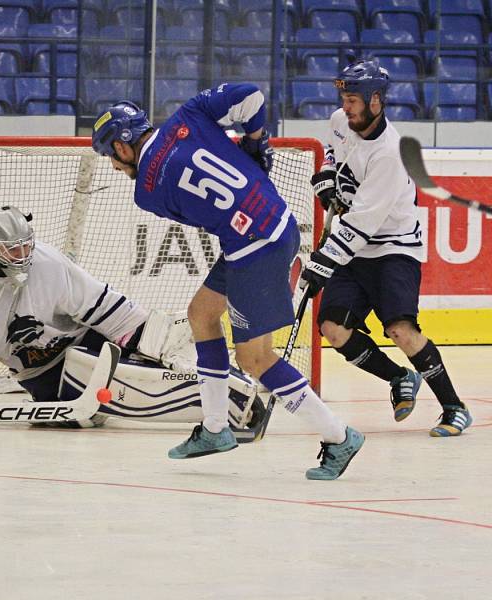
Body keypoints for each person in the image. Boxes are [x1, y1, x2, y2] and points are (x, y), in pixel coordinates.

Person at [91, 87, 364, 480]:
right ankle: (216, 429)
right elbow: (252, 96)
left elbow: (198, 206)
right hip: (264, 228)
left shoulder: (145, 193)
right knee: (201, 315)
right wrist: (253, 142)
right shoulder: (190, 114)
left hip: (256, 247)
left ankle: (338, 437)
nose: (112, 166)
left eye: (109, 156)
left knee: (254, 359)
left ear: (122, 145)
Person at [302, 58, 471, 437]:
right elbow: (333, 153)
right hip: (355, 249)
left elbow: (363, 221)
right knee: (332, 328)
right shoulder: (339, 121)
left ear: (375, 100)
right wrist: (327, 179)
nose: (346, 107)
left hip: (394, 247)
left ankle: (454, 407)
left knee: (400, 330)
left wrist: (323, 262)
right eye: (344, 99)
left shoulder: (391, 153)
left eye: (353, 101)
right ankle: (398, 378)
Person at [0, 205, 155, 426]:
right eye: (12, 250)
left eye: (26, 246)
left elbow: (102, 304)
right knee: (80, 417)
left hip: (83, 345)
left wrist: (148, 342)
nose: (23, 255)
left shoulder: (49, 263)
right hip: (36, 371)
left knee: (127, 384)